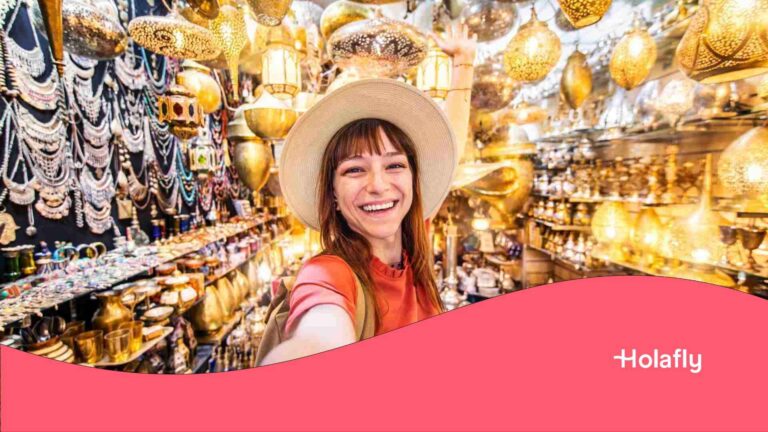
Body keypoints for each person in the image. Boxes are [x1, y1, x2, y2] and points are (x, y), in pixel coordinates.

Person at [260, 23, 477, 365]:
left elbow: (452, 148)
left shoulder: (412, 232)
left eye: (394, 166)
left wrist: (464, 62)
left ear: (413, 179)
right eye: (354, 169)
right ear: (332, 193)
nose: (378, 185)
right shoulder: (330, 273)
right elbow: (319, 330)